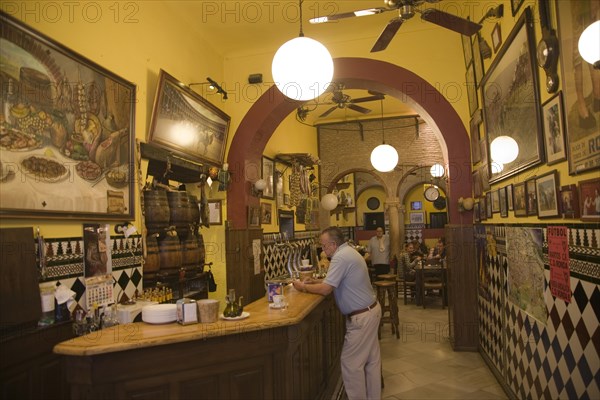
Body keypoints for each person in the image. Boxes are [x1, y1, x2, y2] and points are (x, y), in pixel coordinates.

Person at [293, 227, 381, 400]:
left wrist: (303, 286)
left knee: (351, 365)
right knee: (371, 362)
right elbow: (335, 281)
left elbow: (326, 289)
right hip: (371, 311)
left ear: (333, 244)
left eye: (324, 246)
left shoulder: (340, 257)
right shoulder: (348, 251)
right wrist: (315, 280)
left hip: (362, 318)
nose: (323, 250)